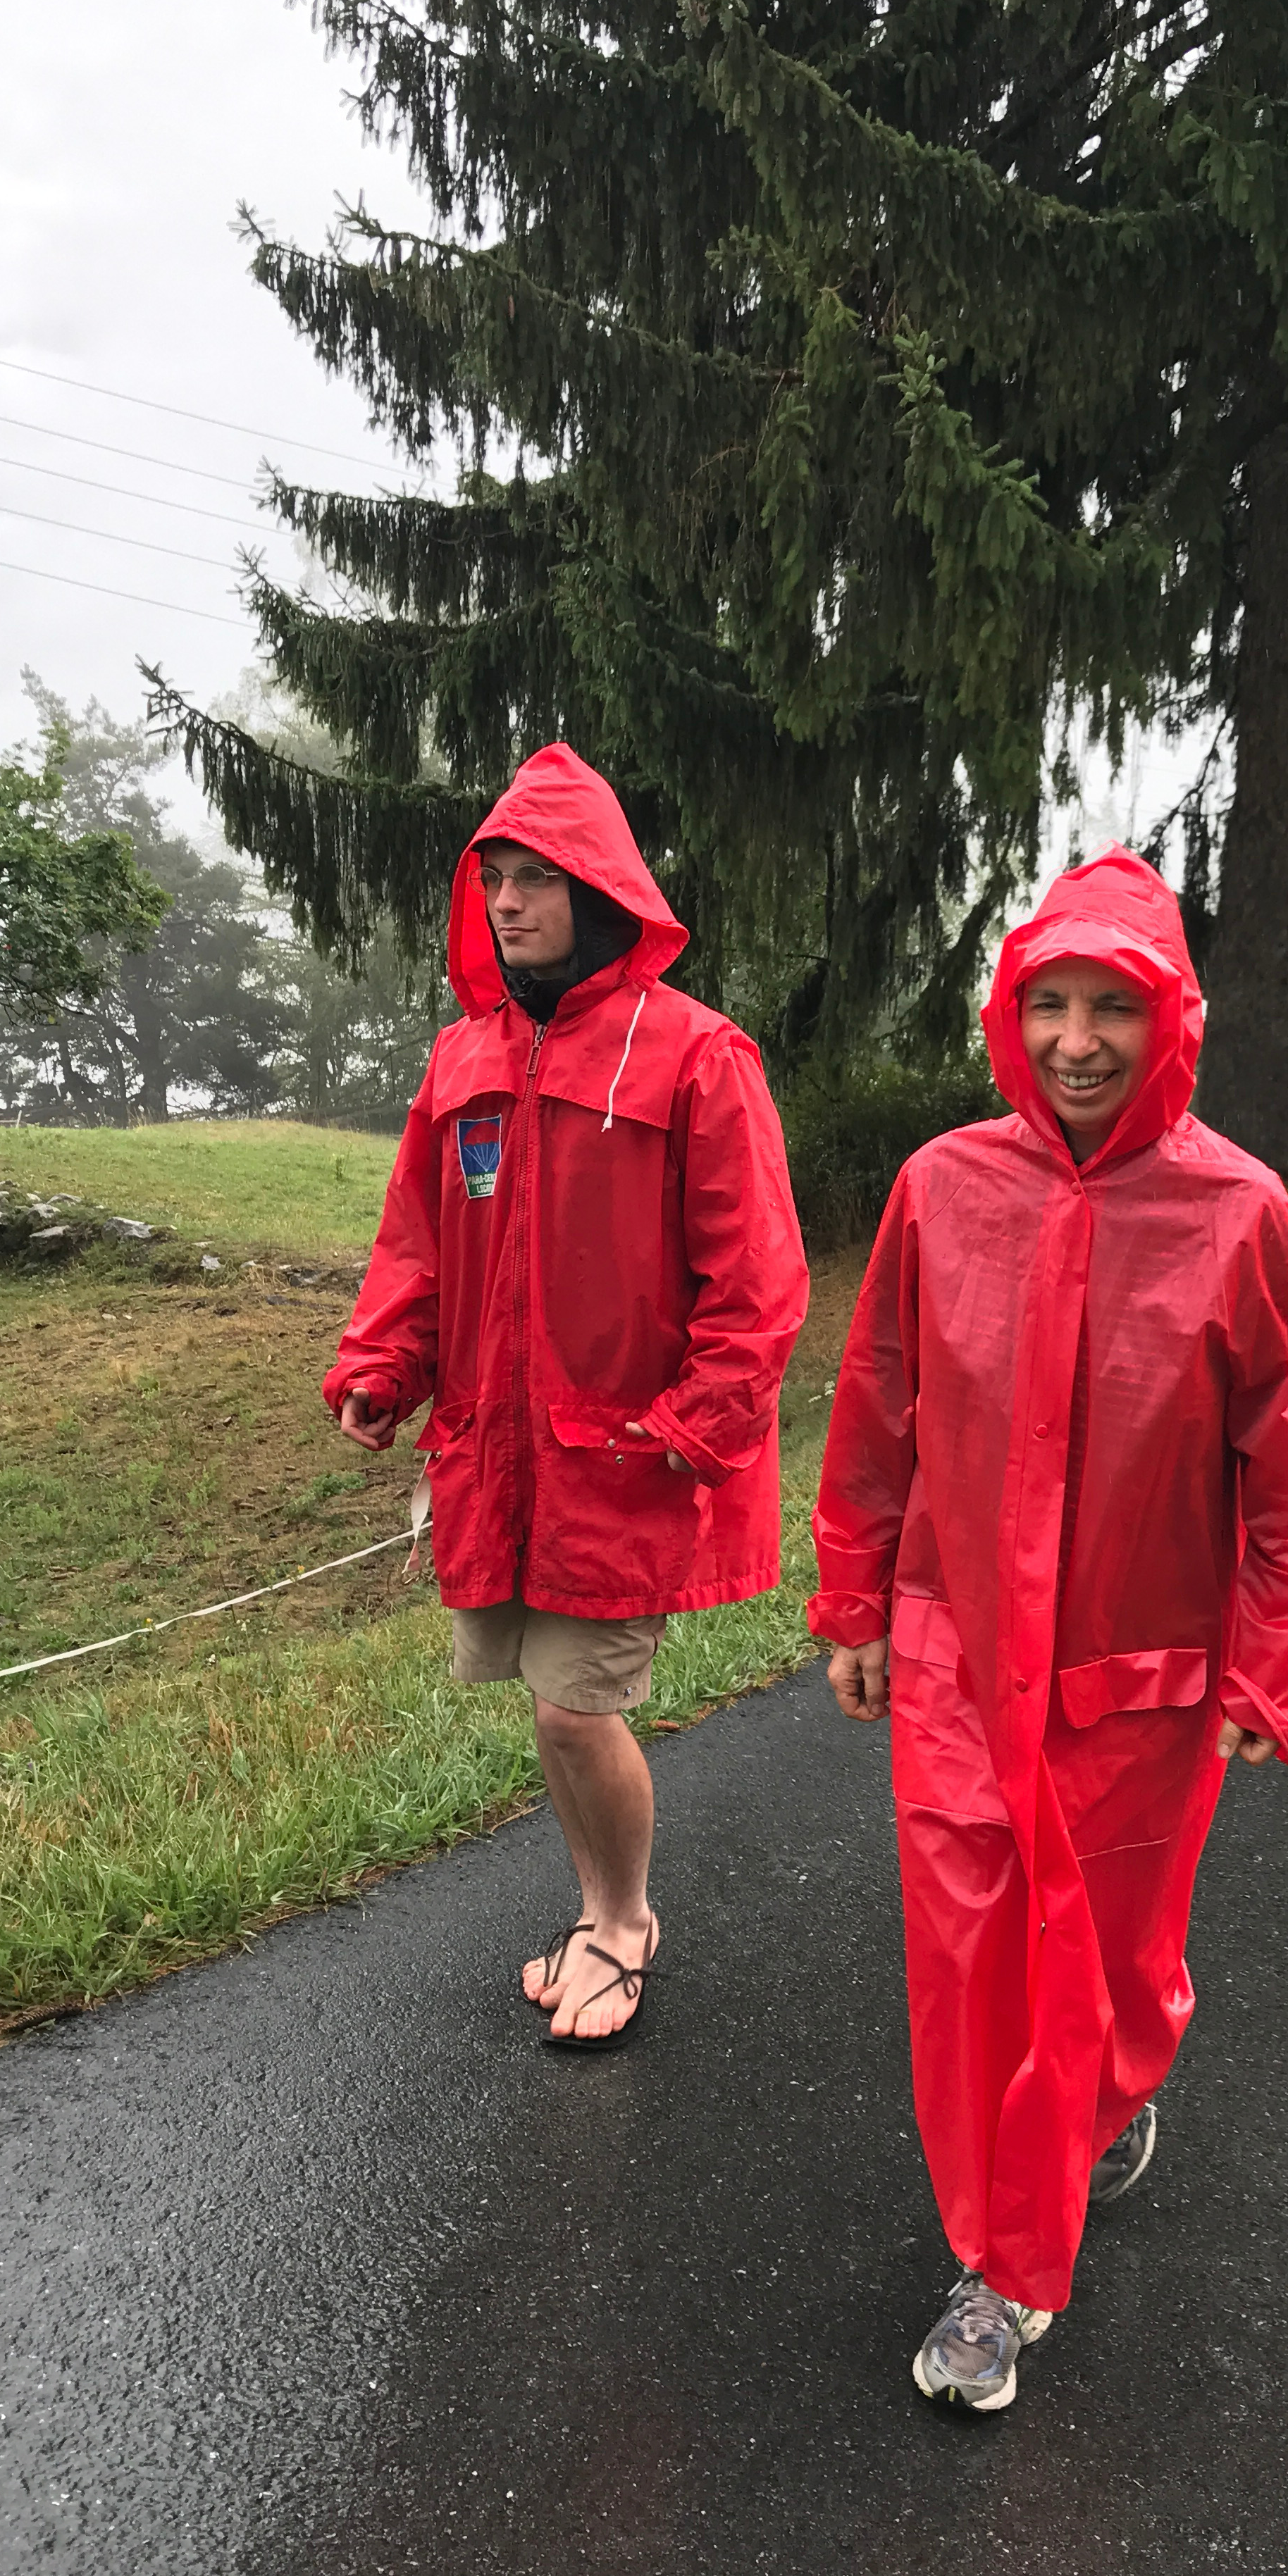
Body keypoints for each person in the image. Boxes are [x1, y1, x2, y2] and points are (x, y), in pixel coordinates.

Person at [808, 847, 1288, 2406]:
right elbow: (880, 1406)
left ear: (1169, 1019)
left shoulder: (1240, 1216)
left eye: (1111, 1007)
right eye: (1047, 1004)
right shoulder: (942, 1189)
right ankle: (1006, 2271)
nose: (1075, 1041)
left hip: (1141, 1684)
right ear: (1010, 1015)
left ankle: (1107, 2096)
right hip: (956, 1660)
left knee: (1109, 1965)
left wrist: (1277, 1669)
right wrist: (855, 1599)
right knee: (981, 1968)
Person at [327, 742, 807, 2048]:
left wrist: (698, 1423)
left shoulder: (697, 1055)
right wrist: (383, 1365)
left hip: (625, 1458)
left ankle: (623, 1924)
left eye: (537, 878)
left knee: (574, 1708)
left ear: (599, 889)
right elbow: (418, 1244)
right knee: (549, 1710)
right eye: (494, 879)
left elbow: (759, 1278)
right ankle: (599, 1906)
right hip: (498, 1453)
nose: (508, 903)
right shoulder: (461, 1060)